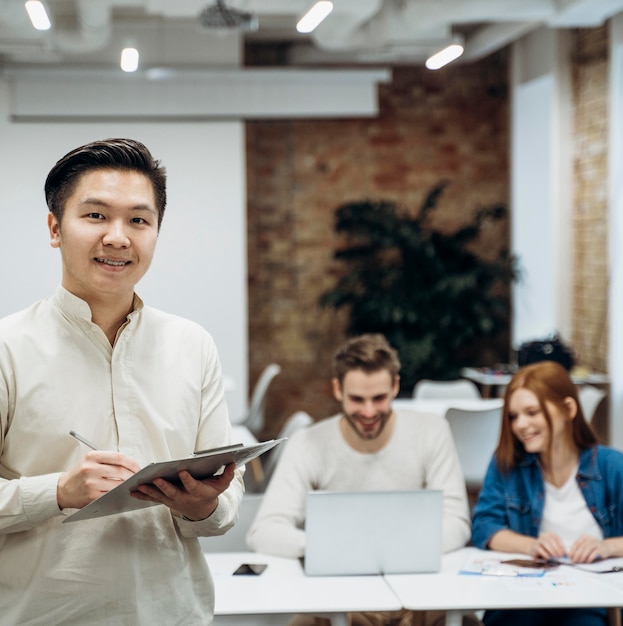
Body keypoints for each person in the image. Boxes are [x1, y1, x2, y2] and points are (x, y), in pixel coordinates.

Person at [0, 138, 245, 625]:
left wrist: (202, 506)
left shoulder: (192, 345)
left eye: (138, 219)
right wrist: (58, 492)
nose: (118, 237)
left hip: (173, 614)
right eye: (95, 216)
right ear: (55, 228)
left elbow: (225, 504)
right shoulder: (8, 346)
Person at [247, 333, 474, 626]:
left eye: (379, 398)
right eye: (357, 399)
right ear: (337, 389)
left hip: (419, 594)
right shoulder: (308, 443)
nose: (368, 412)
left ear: (395, 386)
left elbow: (457, 521)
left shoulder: (432, 432)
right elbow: (264, 532)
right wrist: (337, 549)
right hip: (340, 596)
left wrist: (383, 550)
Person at [472, 360, 623, 626]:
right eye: (513, 416)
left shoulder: (612, 466)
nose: (521, 425)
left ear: (568, 409)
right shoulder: (506, 463)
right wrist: (531, 545)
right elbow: (484, 526)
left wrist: (606, 546)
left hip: (588, 598)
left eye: (532, 412)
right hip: (522, 598)